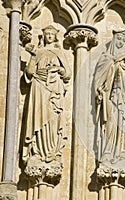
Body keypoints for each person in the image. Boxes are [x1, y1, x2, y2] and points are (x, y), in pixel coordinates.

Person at [22, 25, 71, 164]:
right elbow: (30, 73)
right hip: (39, 87)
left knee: (53, 119)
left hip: (55, 87)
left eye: (51, 34)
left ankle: (52, 151)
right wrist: (32, 56)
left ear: (55, 36)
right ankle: (37, 151)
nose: (49, 36)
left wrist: (58, 69)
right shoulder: (38, 52)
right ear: (43, 36)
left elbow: (68, 73)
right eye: (47, 33)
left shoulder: (58, 52)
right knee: (38, 117)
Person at [94, 29, 125, 167]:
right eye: (119, 39)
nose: (120, 42)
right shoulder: (105, 58)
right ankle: (108, 152)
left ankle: (122, 153)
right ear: (114, 40)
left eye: (123, 40)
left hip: (124, 99)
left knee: (123, 125)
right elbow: (99, 80)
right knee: (111, 123)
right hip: (110, 98)